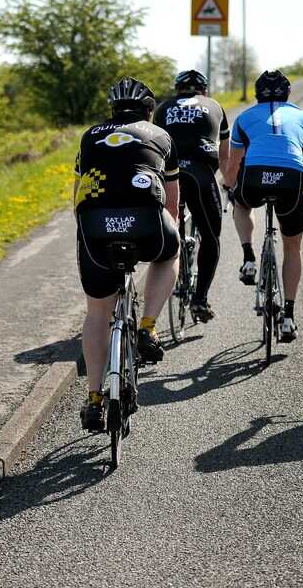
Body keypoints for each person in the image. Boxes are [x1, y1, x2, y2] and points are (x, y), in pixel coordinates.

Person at [74, 77, 181, 432]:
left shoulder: (90, 135)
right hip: (145, 222)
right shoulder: (161, 135)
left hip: (94, 227)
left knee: (97, 310)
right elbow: (173, 201)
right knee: (170, 252)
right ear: (150, 110)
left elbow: (76, 194)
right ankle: (148, 327)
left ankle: (93, 399)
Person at [224, 70, 303, 343]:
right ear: (288, 94)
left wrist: (230, 188)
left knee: (240, 204)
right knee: (293, 246)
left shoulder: (244, 117)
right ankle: (288, 316)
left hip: (255, 176)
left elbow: (232, 167)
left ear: (257, 95)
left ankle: (249, 257)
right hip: (291, 179)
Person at [151, 69, 230, 322]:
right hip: (201, 174)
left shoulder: (162, 108)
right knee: (211, 237)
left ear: (177, 90)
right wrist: (226, 182)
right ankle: (200, 299)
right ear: (204, 91)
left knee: (167, 229)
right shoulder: (214, 105)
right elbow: (225, 155)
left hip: (167, 175)